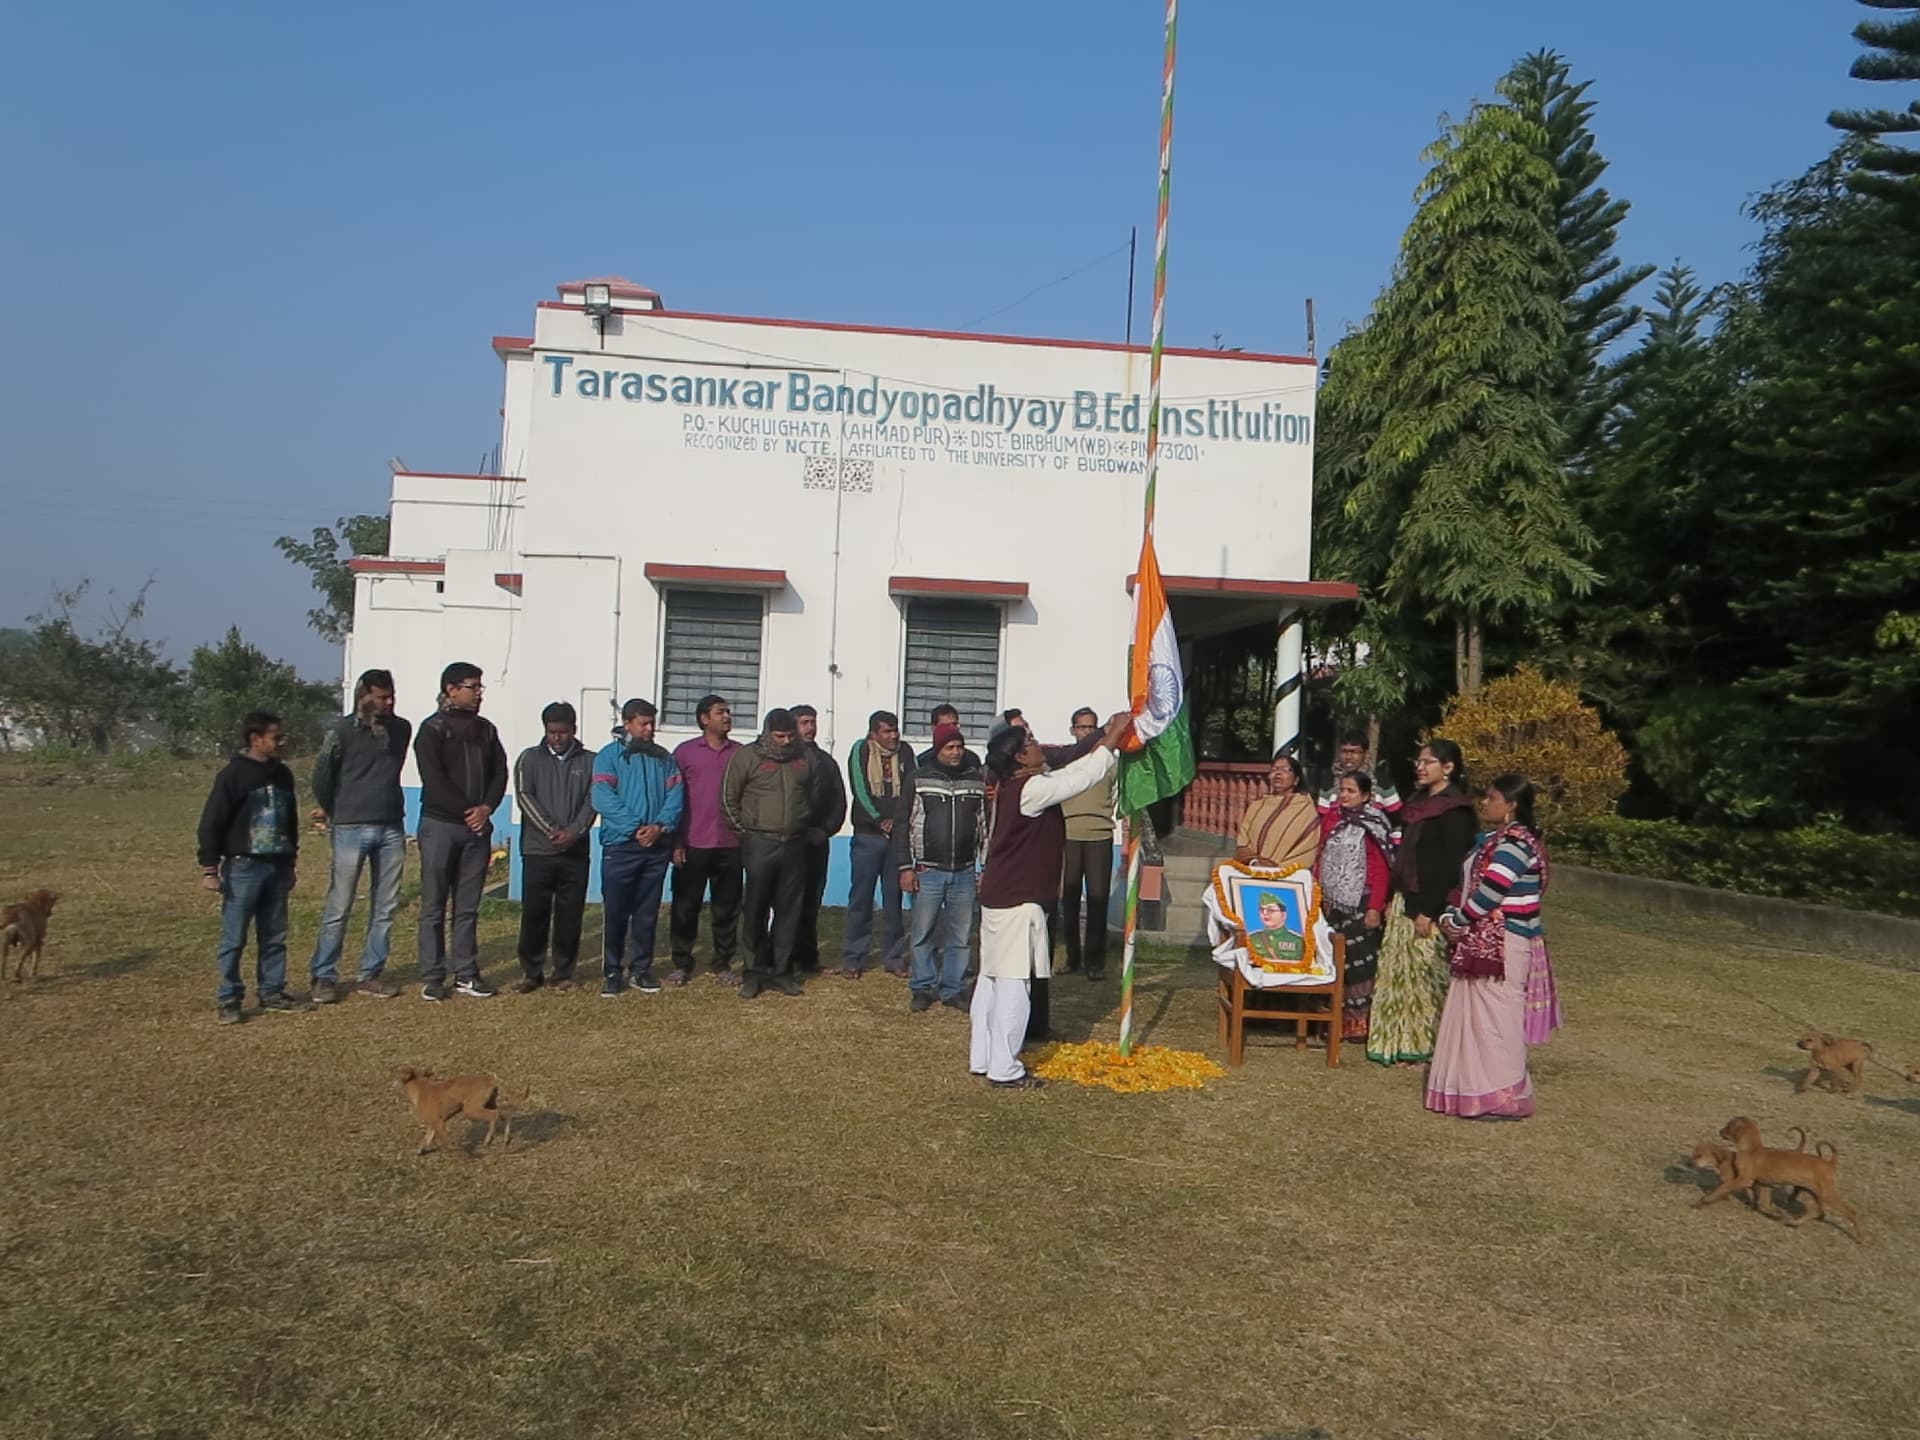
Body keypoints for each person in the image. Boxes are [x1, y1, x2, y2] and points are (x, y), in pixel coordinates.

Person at [971, 710, 1132, 1088]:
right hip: (1017, 899)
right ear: (1017, 758)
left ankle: (984, 1056)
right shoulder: (1030, 789)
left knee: (991, 980)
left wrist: (1103, 736)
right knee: (1013, 983)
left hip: (1001, 895)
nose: (1036, 744)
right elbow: (1080, 777)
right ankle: (1004, 1067)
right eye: (1028, 743)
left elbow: (1065, 766)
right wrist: (1111, 741)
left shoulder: (1023, 785)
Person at [1427, 775, 1554, 1118]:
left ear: (1512, 804)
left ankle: (1503, 1095)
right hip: (1487, 939)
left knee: (1498, 1020)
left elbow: (1491, 892)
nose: (1485, 803)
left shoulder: (1515, 843)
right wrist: (1455, 915)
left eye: (1493, 797)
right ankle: (1473, 1088)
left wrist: (1457, 920)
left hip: (1505, 942)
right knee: (1478, 1018)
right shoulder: (1495, 840)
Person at [1368, 739, 1476, 1065]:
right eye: (1419, 760)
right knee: (1399, 975)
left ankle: (1431, 1046)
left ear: (1448, 768)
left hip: (1431, 904)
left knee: (1426, 978)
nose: (1420, 766)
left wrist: (1430, 910)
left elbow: (1450, 865)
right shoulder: (1416, 804)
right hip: (1403, 899)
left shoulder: (1455, 811)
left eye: (1428, 761)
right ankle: (1398, 1042)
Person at [307, 668, 410, 1003]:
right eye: (381, 696)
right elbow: (322, 775)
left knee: (385, 905)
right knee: (340, 904)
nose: (389, 702)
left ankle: (371, 973)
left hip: (391, 826)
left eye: (391, 695)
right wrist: (335, 809)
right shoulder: (340, 732)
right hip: (350, 827)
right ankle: (324, 975)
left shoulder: (401, 730)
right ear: (363, 696)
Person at [198, 710, 308, 1024]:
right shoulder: (233, 776)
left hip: (277, 867)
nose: (282, 742)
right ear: (255, 739)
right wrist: (209, 868)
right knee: (235, 937)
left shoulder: (284, 775)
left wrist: (290, 862)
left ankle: (272, 990)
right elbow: (212, 821)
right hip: (244, 867)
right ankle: (229, 997)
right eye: (277, 737)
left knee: (274, 934)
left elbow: (291, 822)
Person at [723, 708, 835, 999]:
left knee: (789, 910)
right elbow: (728, 798)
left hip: (795, 845)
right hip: (760, 842)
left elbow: (814, 794)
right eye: (780, 736)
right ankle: (754, 971)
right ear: (767, 733)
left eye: (789, 736)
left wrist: (801, 823)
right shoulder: (747, 757)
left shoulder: (805, 758)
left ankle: (782, 971)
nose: (786, 741)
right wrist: (746, 834)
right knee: (755, 909)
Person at [413, 662, 508, 1001]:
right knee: (434, 904)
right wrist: (468, 812)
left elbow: (500, 772)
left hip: (476, 830)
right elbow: (434, 779)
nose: (479, 693)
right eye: (473, 686)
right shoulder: (432, 729)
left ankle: (466, 973)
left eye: (481, 686)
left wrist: (486, 809)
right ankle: (433, 975)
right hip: (441, 826)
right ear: (451, 690)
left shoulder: (486, 730)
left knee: (467, 906)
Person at [591, 698, 684, 997]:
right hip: (621, 847)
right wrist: (635, 828)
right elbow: (603, 798)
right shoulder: (609, 757)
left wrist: (659, 827)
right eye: (643, 723)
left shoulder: (664, 758)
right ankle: (612, 971)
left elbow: (676, 796)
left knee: (647, 911)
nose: (649, 729)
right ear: (628, 723)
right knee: (616, 911)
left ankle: (641, 969)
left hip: (655, 847)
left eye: (652, 723)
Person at [900, 720, 986, 1013]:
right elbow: (904, 825)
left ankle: (954, 988)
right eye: (950, 747)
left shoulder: (975, 781)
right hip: (928, 869)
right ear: (938, 749)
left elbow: (983, 827)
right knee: (923, 932)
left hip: (963, 870)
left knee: (960, 935)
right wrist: (905, 867)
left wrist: (983, 867)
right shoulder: (919, 779)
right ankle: (923, 986)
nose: (956, 752)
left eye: (960, 746)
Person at [511, 701, 596, 992]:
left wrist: (574, 832)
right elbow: (524, 796)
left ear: (574, 729)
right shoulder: (529, 759)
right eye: (551, 732)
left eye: (562, 732)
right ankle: (531, 972)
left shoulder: (590, 761)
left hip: (575, 852)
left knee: (570, 914)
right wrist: (550, 830)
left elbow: (592, 801)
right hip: (538, 850)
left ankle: (564, 972)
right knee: (535, 913)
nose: (557, 738)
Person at [668, 694, 743, 987]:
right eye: (720, 712)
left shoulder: (740, 754)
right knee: (686, 906)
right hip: (692, 842)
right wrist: (675, 842)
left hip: (731, 844)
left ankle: (723, 962)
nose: (727, 717)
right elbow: (674, 800)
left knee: (727, 908)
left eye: (728, 712)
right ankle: (681, 963)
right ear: (703, 718)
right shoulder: (685, 753)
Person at [1316, 771, 1392, 1041]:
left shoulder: (1374, 823)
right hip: (1331, 903)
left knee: (1360, 963)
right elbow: (1321, 856)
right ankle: (1335, 1020)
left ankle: (1360, 1021)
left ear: (1366, 796)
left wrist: (1375, 907)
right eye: (1342, 790)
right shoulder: (1332, 818)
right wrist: (1319, 894)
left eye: (1351, 791)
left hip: (1362, 901)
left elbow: (1381, 868)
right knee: (1337, 961)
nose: (1344, 795)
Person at [842, 710, 914, 978]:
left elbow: (910, 788)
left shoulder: (905, 752)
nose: (893, 736)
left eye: (895, 730)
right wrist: (877, 818)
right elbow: (858, 788)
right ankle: (853, 957)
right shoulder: (860, 750)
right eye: (887, 731)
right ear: (874, 733)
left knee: (893, 900)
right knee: (861, 898)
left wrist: (897, 821)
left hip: (897, 837)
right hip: (867, 835)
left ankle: (894, 957)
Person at [1055, 706, 1117, 980]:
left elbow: (1120, 796)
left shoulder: (1109, 762)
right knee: (1068, 899)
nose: (1087, 732)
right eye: (1082, 727)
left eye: (1092, 727)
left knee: (1097, 900)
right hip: (1068, 834)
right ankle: (1072, 957)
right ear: (1073, 730)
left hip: (1100, 835)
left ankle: (1095, 962)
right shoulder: (1066, 760)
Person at [788, 704, 847, 975]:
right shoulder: (783, 759)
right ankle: (781, 960)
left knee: (811, 902)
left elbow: (838, 801)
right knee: (785, 902)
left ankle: (808, 960)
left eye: (812, 721)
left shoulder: (825, 762)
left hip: (816, 842)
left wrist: (824, 830)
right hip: (786, 842)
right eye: (804, 722)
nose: (810, 727)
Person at [1234, 752, 1323, 870]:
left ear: (1296, 780)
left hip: (1287, 878)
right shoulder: (1257, 806)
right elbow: (1243, 841)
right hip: (1251, 871)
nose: (1278, 773)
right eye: (1274, 769)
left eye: (1286, 770)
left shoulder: (1306, 810)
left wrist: (1277, 870)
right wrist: (1254, 862)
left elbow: (1307, 848)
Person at [1317, 733, 1402, 818]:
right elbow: (1322, 818)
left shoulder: (1383, 782)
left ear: (1366, 753)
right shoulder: (1328, 782)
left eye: (1354, 752)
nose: (1348, 757)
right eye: (1344, 751)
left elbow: (1396, 820)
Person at [928, 703, 983, 769]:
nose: (952, 729)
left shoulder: (972, 760)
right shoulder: (923, 762)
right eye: (946, 726)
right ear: (934, 728)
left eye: (954, 724)